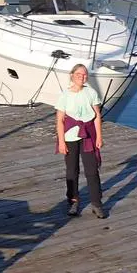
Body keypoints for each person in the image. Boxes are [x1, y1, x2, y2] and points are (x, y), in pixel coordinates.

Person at [54, 64, 105, 218]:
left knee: (92, 170)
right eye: (78, 74)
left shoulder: (91, 93)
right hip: (70, 137)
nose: (81, 77)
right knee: (72, 170)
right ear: (72, 75)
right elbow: (60, 120)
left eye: (84, 75)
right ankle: (73, 201)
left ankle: (96, 204)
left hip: (88, 135)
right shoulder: (65, 95)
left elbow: (97, 116)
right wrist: (61, 142)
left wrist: (99, 137)